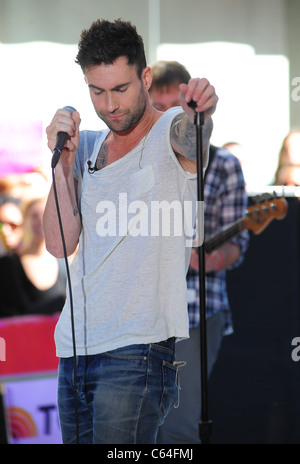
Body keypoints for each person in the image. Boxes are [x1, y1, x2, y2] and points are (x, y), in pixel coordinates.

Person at [42, 19, 218, 444]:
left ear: (145, 77)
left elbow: (191, 138)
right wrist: (62, 169)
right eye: (97, 91)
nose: (109, 104)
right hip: (75, 347)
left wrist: (201, 115)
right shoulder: (82, 145)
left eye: (120, 89)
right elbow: (57, 244)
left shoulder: (172, 127)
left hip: (138, 349)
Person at [149, 60, 249, 444]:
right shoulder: (137, 162)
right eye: (157, 110)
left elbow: (238, 245)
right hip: (139, 309)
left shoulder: (224, 165)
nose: (164, 119)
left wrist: (211, 259)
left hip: (195, 310)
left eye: (173, 111)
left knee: (177, 426)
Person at [0, 197, 66, 318]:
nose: (40, 221)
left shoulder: (65, 262)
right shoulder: (8, 264)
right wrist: (63, 300)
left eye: (45, 214)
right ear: (24, 221)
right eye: (34, 216)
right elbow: (18, 313)